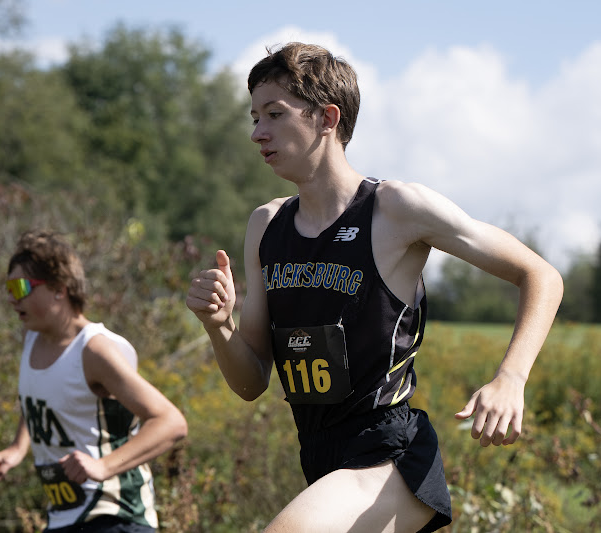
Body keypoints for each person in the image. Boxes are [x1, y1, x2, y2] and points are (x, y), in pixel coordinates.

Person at [186, 42, 563, 532]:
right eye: (254, 116)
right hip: (320, 457)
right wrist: (219, 326)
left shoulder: (397, 209)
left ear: (328, 118)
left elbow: (541, 275)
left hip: (389, 454)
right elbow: (252, 380)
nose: (257, 133)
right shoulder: (266, 225)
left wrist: (510, 378)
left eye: (274, 114)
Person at [0, 230, 188, 532]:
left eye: (21, 287)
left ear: (59, 289)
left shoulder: (94, 351)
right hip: (64, 516)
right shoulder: (32, 337)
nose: (13, 298)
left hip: (114, 515)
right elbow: (41, 398)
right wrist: (17, 447)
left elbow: (171, 422)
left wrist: (103, 466)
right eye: (9, 288)